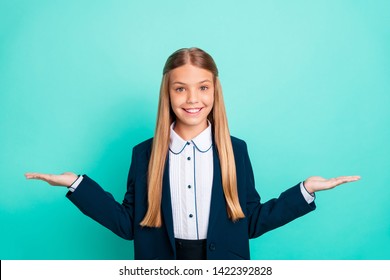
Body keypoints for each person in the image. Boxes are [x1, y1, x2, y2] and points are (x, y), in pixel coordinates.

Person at [25, 47, 360, 260]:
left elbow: (252, 222)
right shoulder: (144, 154)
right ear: (167, 94)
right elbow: (129, 224)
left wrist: (305, 192)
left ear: (214, 90)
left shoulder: (235, 150)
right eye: (180, 88)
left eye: (202, 87)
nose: (192, 99)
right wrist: (77, 185)